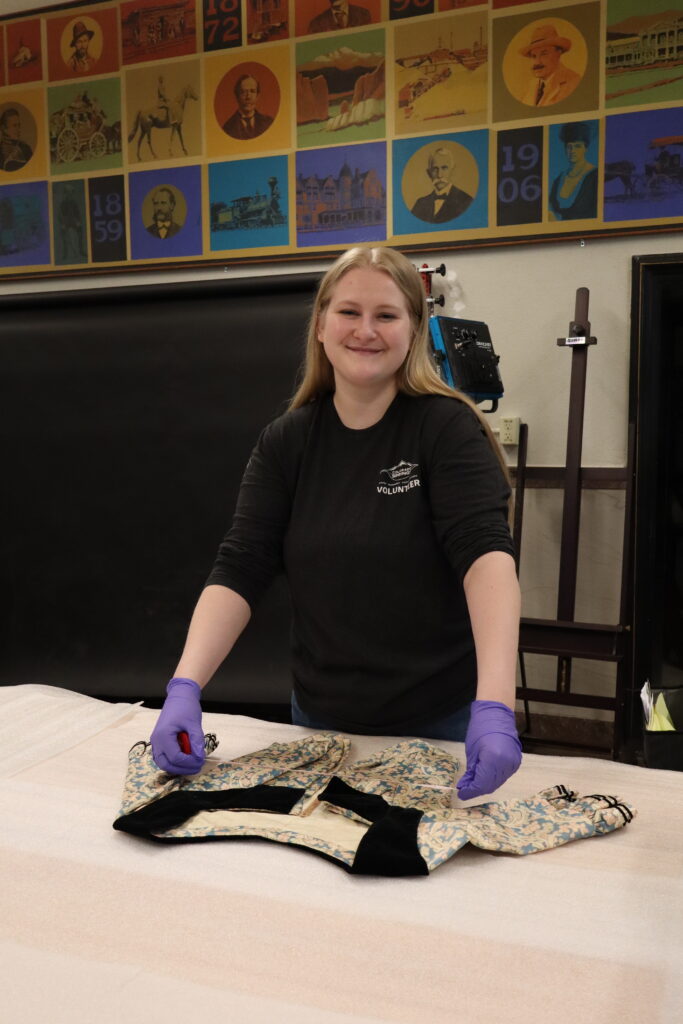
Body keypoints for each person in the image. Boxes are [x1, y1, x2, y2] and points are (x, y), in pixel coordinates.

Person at [150, 246, 522, 801]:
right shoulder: (288, 440)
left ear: (414, 330)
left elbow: (486, 561)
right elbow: (241, 565)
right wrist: (184, 686)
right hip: (319, 721)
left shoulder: (446, 429)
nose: (365, 331)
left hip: (439, 724)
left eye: (386, 315)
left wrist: (494, 705)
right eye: (349, 312)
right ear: (321, 324)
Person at [519, 23, 581, 108]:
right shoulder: (531, 86)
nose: (537, 62)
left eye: (544, 54)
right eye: (534, 56)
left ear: (558, 53)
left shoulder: (573, 82)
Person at [549, 122, 597, 221]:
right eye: (569, 146)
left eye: (578, 146)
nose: (572, 151)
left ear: (586, 148)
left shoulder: (595, 176)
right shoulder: (558, 180)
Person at [410, 147, 473, 223]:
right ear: (429, 173)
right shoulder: (420, 204)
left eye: (444, 168)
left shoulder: (466, 201)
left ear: (452, 171)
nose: (439, 175)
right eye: (435, 169)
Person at [222, 74, 273, 140]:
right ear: (237, 96)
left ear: (257, 96)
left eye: (252, 91)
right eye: (243, 92)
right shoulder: (227, 128)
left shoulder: (268, 123)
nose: (248, 97)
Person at [0, 107, 33, 172]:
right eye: (14, 126)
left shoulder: (26, 149)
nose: (18, 129)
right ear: (4, 128)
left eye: (19, 125)